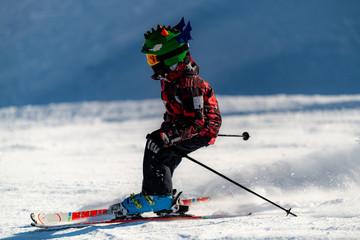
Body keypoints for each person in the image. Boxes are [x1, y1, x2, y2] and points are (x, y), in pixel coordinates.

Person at [109, 18, 222, 218]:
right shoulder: (171, 79)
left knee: (157, 145)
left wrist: (168, 136)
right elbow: (174, 112)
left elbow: (196, 122)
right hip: (186, 126)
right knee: (160, 148)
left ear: (170, 57)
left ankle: (158, 197)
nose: (150, 64)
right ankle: (158, 196)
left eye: (153, 59)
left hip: (201, 129)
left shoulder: (188, 84)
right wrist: (167, 132)